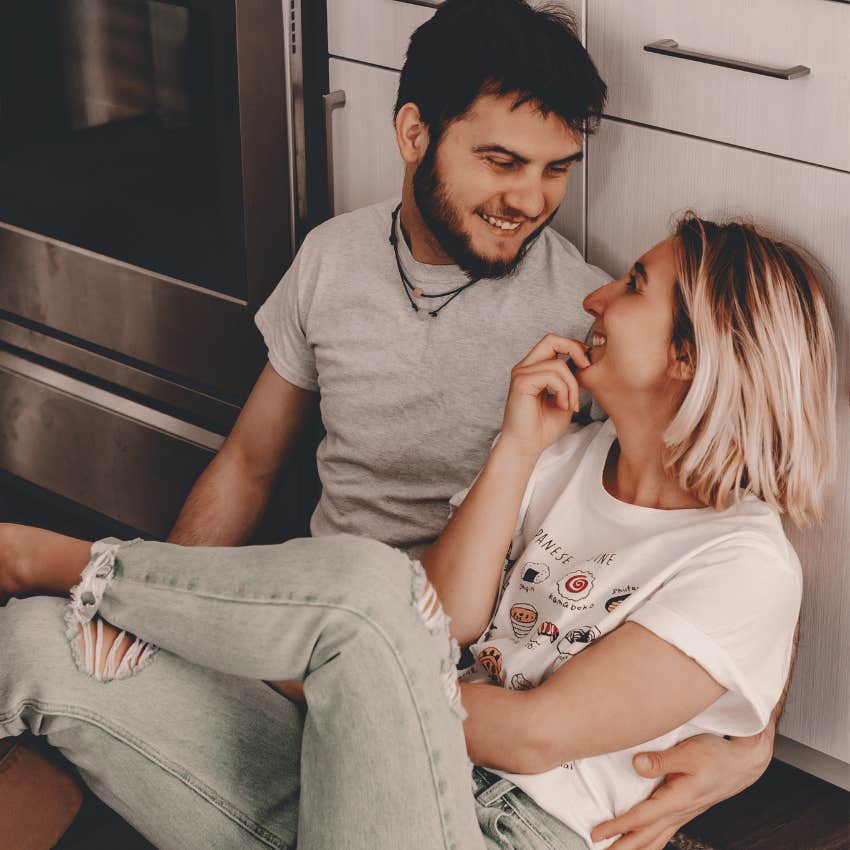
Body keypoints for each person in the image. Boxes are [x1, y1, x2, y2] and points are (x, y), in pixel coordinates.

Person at [0, 1, 794, 847]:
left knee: (374, 591)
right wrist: (169, 613)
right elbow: (249, 463)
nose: (530, 199)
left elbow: (711, 551)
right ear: (415, 134)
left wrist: (751, 740)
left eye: (556, 169)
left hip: (414, 674)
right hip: (294, 640)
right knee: (43, 644)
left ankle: (55, 560)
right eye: (502, 162)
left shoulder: (585, 323)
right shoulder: (332, 260)